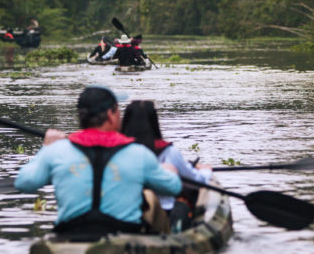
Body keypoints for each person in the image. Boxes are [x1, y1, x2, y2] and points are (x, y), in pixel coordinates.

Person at [14, 85, 182, 238]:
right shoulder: (139, 154)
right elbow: (173, 188)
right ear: (111, 115)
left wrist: (46, 148)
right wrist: (169, 171)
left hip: (69, 236)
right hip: (123, 239)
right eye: (118, 111)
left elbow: (24, 183)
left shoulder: (56, 151)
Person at [121, 100, 213, 232]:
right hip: (165, 213)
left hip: (125, 214)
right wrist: (206, 171)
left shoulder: (118, 152)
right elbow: (196, 179)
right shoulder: (169, 152)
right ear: (154, 123)